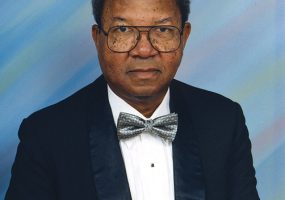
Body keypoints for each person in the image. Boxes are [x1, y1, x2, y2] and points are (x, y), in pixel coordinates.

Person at [5, 0, 260, 199]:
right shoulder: (47, 135)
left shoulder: (224, 121)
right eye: (123, 29)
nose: (144, 50)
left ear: (184, 37)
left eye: (162, 29)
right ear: (98, 38)